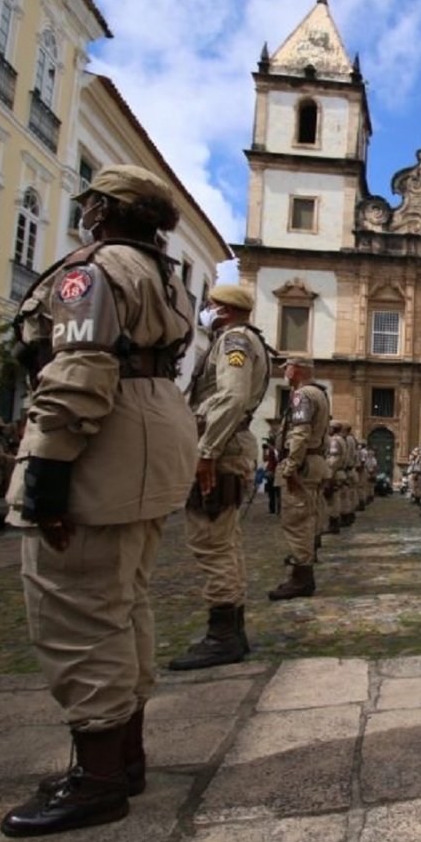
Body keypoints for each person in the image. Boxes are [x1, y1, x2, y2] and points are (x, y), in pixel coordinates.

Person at [0, 164, 197, 837]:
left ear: (100, 210)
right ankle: (125, 756)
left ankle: (100, 776)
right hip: (152, 432)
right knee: (123, 599)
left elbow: (79, 367)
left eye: (89, 203)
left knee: (80, 605)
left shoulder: (97, 269)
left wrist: (48, 472)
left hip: (103, 437)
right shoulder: (165, 275)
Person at [169, 283, 269, 671]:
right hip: (227, 444)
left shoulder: (235, 342)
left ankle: (223, 635)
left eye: (210, 306)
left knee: (211, 541)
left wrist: (207, 451)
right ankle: (231, 630)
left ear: (224, 310)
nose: (206, 311)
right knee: (223, 540)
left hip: (222, 448)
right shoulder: (237, 340)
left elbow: (231, 396)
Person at [268, 357, 330, 601]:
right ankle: (302, 573)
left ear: (298, 370)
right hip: (312, 462)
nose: (285, 372)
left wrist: (290, 466)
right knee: (306, 517)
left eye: (288, 368)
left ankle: (301, 577)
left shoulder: (302, 395)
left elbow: (300, 432)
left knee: (296, 521)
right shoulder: (319, 393)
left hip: (302, 464)